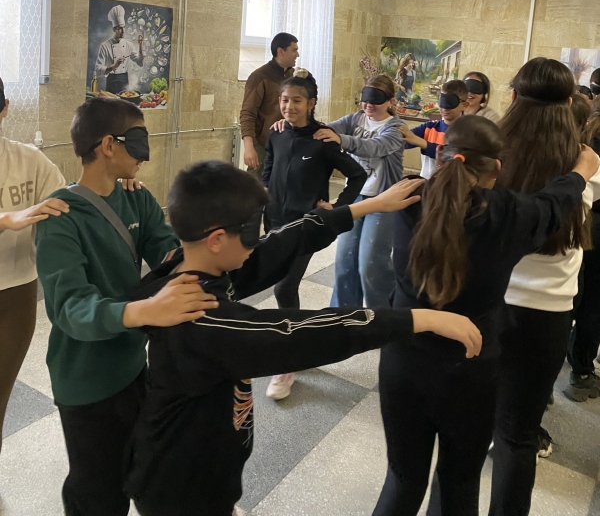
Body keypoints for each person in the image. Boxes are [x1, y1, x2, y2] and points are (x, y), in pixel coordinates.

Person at [125, 161, 483, 516]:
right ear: (216, 239)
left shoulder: (193, 270)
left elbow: (282, 242)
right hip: (179, 489)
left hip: (208, 470)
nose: (256, 240)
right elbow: (300, 333)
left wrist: (369, 205)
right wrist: (416, 319)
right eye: (249, 233)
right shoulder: (200, 318)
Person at [372, 116, 598, 516]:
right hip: (470, 370)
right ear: (497, 168)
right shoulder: (508, 215)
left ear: (442, 155)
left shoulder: (409, 199)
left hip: (402, 361)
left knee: (402, 479)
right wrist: (581, 172)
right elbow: (552, 205)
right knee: (459, 482)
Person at [35, 97, 219, 516]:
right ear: (108, 145)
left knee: (138, 466)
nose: (145, 153)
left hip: (134, 365)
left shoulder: (136, 199)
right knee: (97, 489)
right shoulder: (61, 217)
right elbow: (71, 308)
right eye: (138, 140)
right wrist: (146, 311)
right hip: (85, 379)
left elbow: (168, 254)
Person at [489, 58, 600, 516]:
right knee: (518, 436)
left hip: (485, 305)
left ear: (514, 97)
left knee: (467, 425)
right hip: (547, 318)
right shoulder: (586, 164)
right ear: (570, 103)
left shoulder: (491, 155)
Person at [262, 69, 367, 399]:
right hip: (275, 222)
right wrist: (263, 197)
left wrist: (336, 207)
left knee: (284, 286)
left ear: (311, 103)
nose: (288, 106)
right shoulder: (277, 134)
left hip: (307, 226)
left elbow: (357, 175)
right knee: (281, 285)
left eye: (296, 101)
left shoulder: (323, 140)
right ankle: (297, 340)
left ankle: (287, 360)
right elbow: (268, 169)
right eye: (284, 100)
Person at [0, 75, 67, 454]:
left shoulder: (28, 160)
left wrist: (117, 185)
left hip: (16, 295)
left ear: (5, 109)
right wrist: (7, 219)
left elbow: (67, 204)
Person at [314, 75, 405, 309]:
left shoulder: (397, 129)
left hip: (384, 201)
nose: (368, 105)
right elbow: (324, 129)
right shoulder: (355, 119)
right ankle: (342, 315)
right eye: (365, 99)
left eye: (376, 100)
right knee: (344, 261)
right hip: (355, 197)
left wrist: (341, 140)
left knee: (371, 265)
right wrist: (291, 124)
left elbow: (374, 147)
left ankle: (383, 317)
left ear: (391, 101)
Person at [566, 99, 600, 401]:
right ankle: (581, 371)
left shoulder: (586, 136)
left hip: (580, 225)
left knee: (574, 299)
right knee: (592, 303)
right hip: (591, 225)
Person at [239, 32, 298, 180]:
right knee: (255, 189)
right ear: (280, 51)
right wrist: (249, 147)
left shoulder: (292, 75)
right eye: (294, 50)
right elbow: (247, 113)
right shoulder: (259, 77)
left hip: (285, 143)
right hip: (263, 145)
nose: (297, 54)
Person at [399, 79, 468, 178]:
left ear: (464, 106)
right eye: (442, 102)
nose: (445, 108)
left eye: (451, 104)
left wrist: (420, 142)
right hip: (426, 183)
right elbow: (404, 141)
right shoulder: (429, 127)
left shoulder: (467, 132)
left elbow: (449, 156)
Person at [94, 4, 145, 95]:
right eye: (120, 28)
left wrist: (140, 45)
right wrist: (114, 66)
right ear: (114, 29)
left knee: (124, 102)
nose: (123, 31)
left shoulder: (128, 44)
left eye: (124, 27)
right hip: (111, 81)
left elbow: (140, 62)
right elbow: (97, 69)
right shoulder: (105, 46)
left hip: (124, 80)